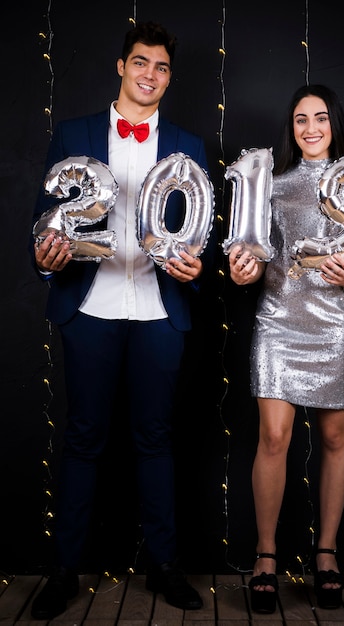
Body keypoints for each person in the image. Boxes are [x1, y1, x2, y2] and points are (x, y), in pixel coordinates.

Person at [31, 21, 216, 620]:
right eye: (141, 63)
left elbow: (202, 228)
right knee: (83, 440)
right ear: (120, 66)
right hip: (90, 307)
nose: (150, 76)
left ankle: (164, 566)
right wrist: (44, 254)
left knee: (157, 440)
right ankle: (63, 572)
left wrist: (196, 266)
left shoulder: (188, 142)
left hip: (160, 310)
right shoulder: (74, 134)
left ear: (168, 77)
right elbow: (43, 225)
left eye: (161, 68)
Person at [228, 84, 344, 613]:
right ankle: (266, 557)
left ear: (334, 124)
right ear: (291, 128)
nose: (311, 128)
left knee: (335, 435)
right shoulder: (271, 186)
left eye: (321, 118)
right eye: (300, 120)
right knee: (273, 436)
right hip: (279, 320)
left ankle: (326, 553)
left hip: (335, 324)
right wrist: (244, 270)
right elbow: (257, 259)